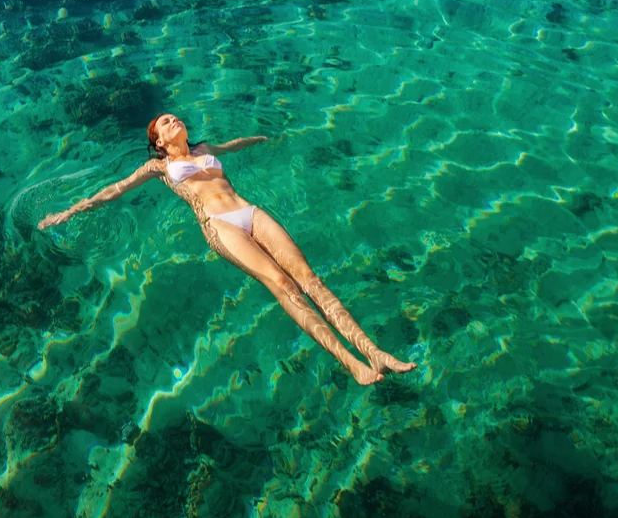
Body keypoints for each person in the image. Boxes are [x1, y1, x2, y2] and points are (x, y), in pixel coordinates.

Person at [38, 113, 416, 386]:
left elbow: (231, 146)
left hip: (248, 210)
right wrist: (68, 212)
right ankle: (351, 362)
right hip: (218, 226)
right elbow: (114, 189)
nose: (175, 121)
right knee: (283, 285)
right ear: (158, 142)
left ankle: (374, 350)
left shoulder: (203, 148)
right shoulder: (158, 168)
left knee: (309, 278)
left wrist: (262, 139)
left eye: (175, 118)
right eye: (166, 122)